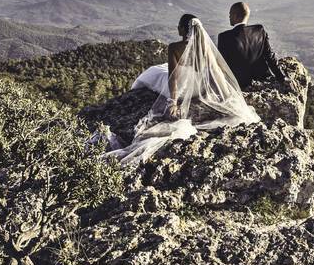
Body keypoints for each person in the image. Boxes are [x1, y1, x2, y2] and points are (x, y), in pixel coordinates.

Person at [111, 14, 259, 164]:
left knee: (154, 73)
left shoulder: (174, 47)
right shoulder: (205, 48)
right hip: (199, 86)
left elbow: (173, 77)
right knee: (159, 70)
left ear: (182, 29)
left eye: (179, 27)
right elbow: (216, 72)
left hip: (182, 87)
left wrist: (172, 102)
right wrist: (226, 96)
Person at [217, 1, 286, 89]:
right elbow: (270, 57)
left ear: (235, 15)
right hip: (263, 80)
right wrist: (282, 77)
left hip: (240, 85)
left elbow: (222, 66)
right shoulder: (259, 30)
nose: (229, 17)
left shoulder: (224, 37)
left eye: (230, 14)